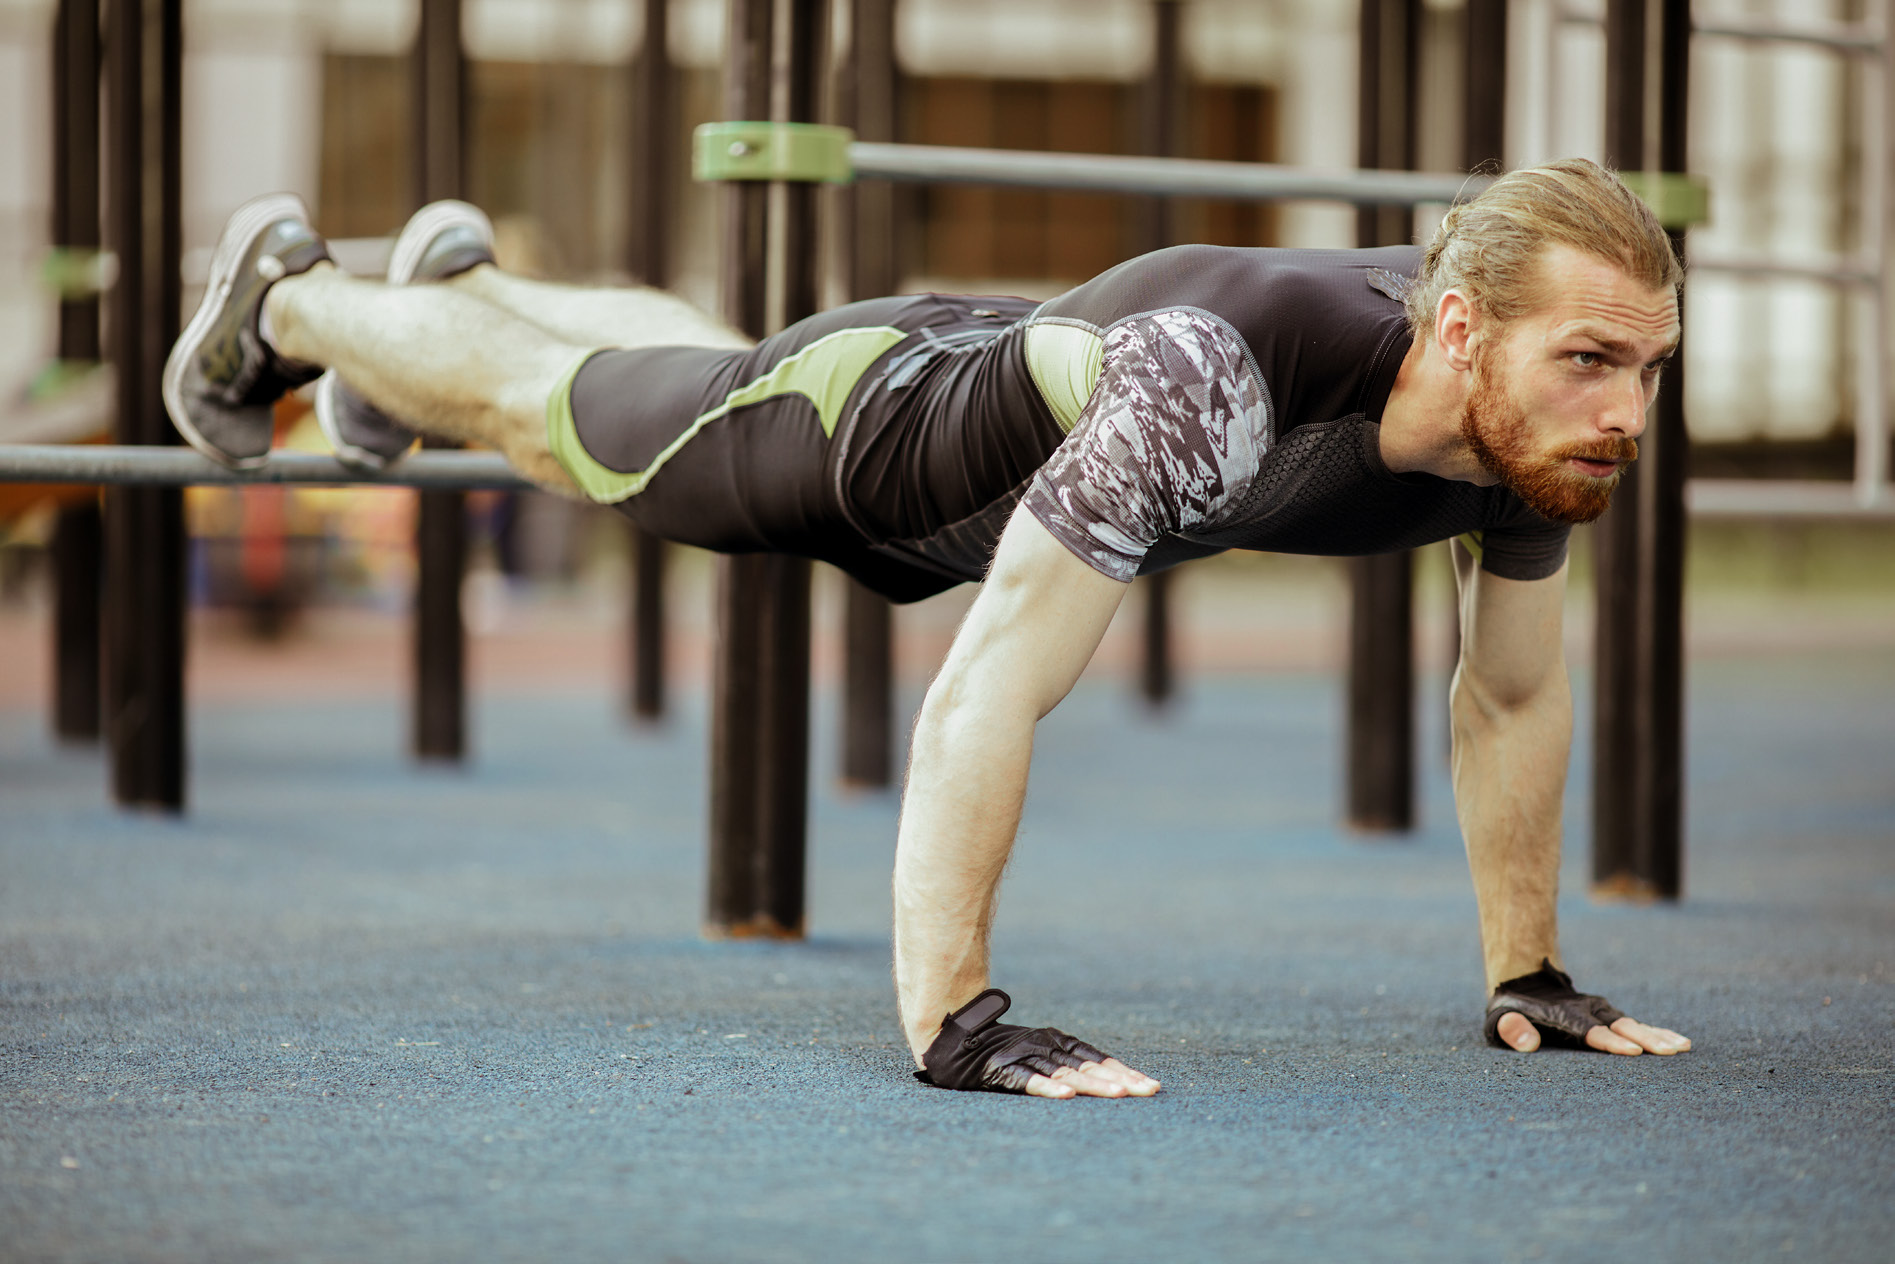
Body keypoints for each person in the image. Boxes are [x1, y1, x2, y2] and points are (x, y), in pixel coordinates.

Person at [164, 157, 1693, 1099]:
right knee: (560, 427)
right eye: (1590, 361)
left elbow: (1507, 695)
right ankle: (292, 304)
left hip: (976, 405)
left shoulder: (1526, 444)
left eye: (1647, 367)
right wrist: (953, 1016)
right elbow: (984, 690)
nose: (1624, 412)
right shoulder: (1212, 382)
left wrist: (1530, 971)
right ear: (1459, 328)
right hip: (862, 440)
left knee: (688, 367)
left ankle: (460, 292)